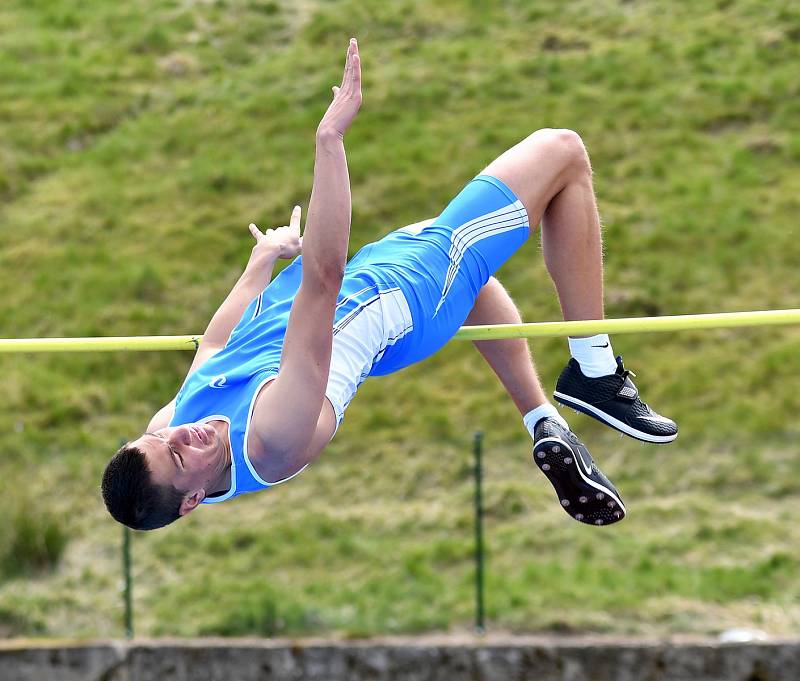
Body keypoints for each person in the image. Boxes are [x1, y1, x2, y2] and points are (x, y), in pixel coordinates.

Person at [102, 39, 677, 531]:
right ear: (195, 498)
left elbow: (215, 349)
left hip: (381, 305)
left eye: (164, 437)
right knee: (561, 151)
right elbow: (321, 286)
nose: (183, 433)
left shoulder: (164, 432)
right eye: (180, 457)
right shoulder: (270, 441)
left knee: (477, 292)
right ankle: (595, 371)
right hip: (408, 291)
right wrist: (331, 142)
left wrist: (261, 262)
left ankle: (542, 422)